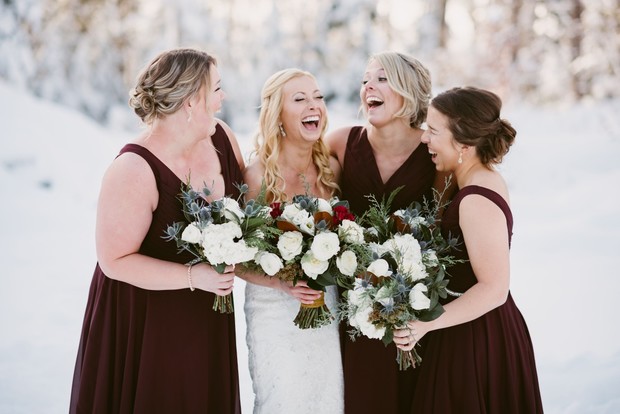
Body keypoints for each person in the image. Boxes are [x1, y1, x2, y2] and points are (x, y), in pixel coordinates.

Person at [69, 48, 244, 414]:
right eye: (216, 89)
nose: (223, 98)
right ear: (191, 100)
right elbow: (114, 261)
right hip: (144, 323)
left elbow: (250, 210)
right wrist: (194, 275)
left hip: (206, 315)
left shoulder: (222, 138)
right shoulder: (133, 168)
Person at [393, 86, 544, 413]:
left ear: (463, 143)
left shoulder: (476, 197)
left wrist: (426, 324)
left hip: (476, 338)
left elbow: (494, 289)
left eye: (433, 131)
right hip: (463, 327)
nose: (424, 139)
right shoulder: (471, 178)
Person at [325, 51, 448, 413]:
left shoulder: (433, 149)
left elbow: (443, 223)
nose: (368, 87)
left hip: (416, 306)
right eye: (365, 80)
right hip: (357, 305)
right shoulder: (341, 142)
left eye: (382, 79)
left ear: (409, 92)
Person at [239, 68, 344, 414]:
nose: (313, 105)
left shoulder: (332, 170)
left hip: (325, 306)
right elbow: (236, 257)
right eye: (299, 99)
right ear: (278, 115)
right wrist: (282, 283)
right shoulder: (256, 177)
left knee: (328, 399)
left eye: (318, 97)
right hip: (273, 310)